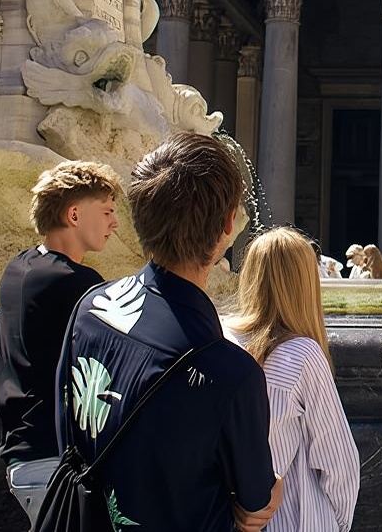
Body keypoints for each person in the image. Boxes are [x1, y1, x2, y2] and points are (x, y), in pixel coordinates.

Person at [58, 132, 282, 531]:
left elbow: (71, 440)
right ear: (227, 226)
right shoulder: (231, 372)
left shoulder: (90, 307)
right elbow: (256, 502)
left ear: (139, 217)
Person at [0, 160, 121, 525]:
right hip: (58, 465)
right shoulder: (77, 284)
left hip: (24, 458)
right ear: (75, 214)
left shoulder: (19, 267)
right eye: (108, 211)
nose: (115, 223)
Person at [224, 227, 360, 532]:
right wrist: (334, 523)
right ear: (306, 284)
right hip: (289, 520)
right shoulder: (301, 354)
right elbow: (338, 462)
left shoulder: (220, 335)